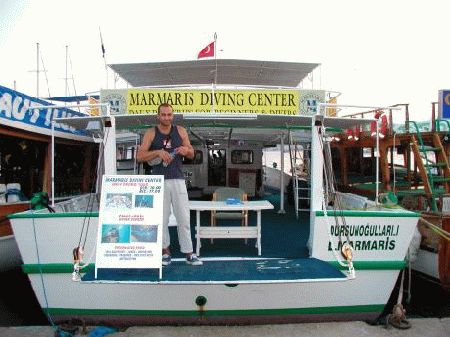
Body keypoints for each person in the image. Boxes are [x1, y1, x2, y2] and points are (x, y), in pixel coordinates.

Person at [136, 103, 202, 266]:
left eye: (169, 114)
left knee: (184, 218)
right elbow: (140, 156)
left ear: (173, 115)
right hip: (158, 181)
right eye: (163, 114)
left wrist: (186, 151)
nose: (166, 117)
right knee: (161, 219)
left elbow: (192, 153)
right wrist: (158, 152)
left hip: (178, 180)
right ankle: (165, 252)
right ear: (158, 116)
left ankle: (189, 253)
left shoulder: (180, 131)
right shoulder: (151, 133)